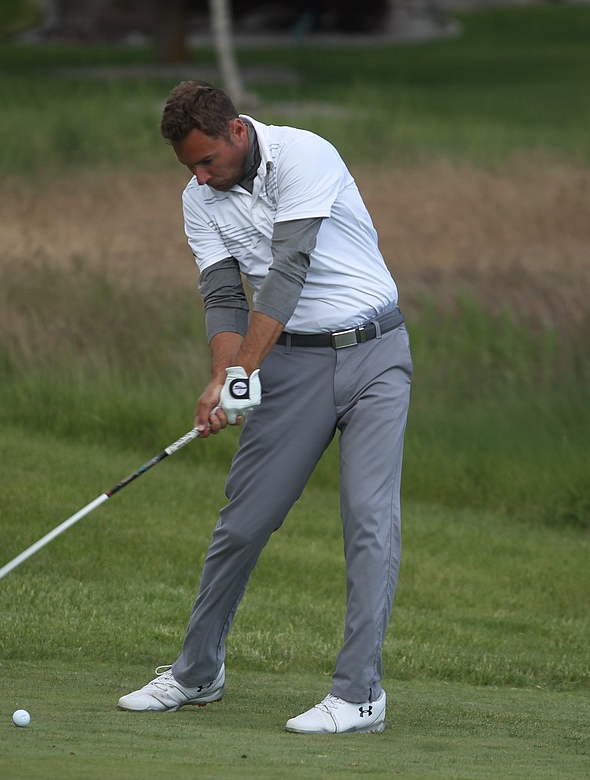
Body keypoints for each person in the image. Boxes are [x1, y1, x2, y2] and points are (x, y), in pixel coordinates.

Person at [117, 80, 412, 735]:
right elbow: (224, 292)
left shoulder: (307, 156)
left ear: (237, 133)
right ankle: (198, 672)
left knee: (368, 519)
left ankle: (359, 694)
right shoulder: (199, 198)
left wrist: (240, 375)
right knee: (243, 522)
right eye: (188, 167)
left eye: (207, 161)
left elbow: (288, 270)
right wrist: (225, 380)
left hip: (374, 352)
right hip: (290, 360)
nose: (200, 176)